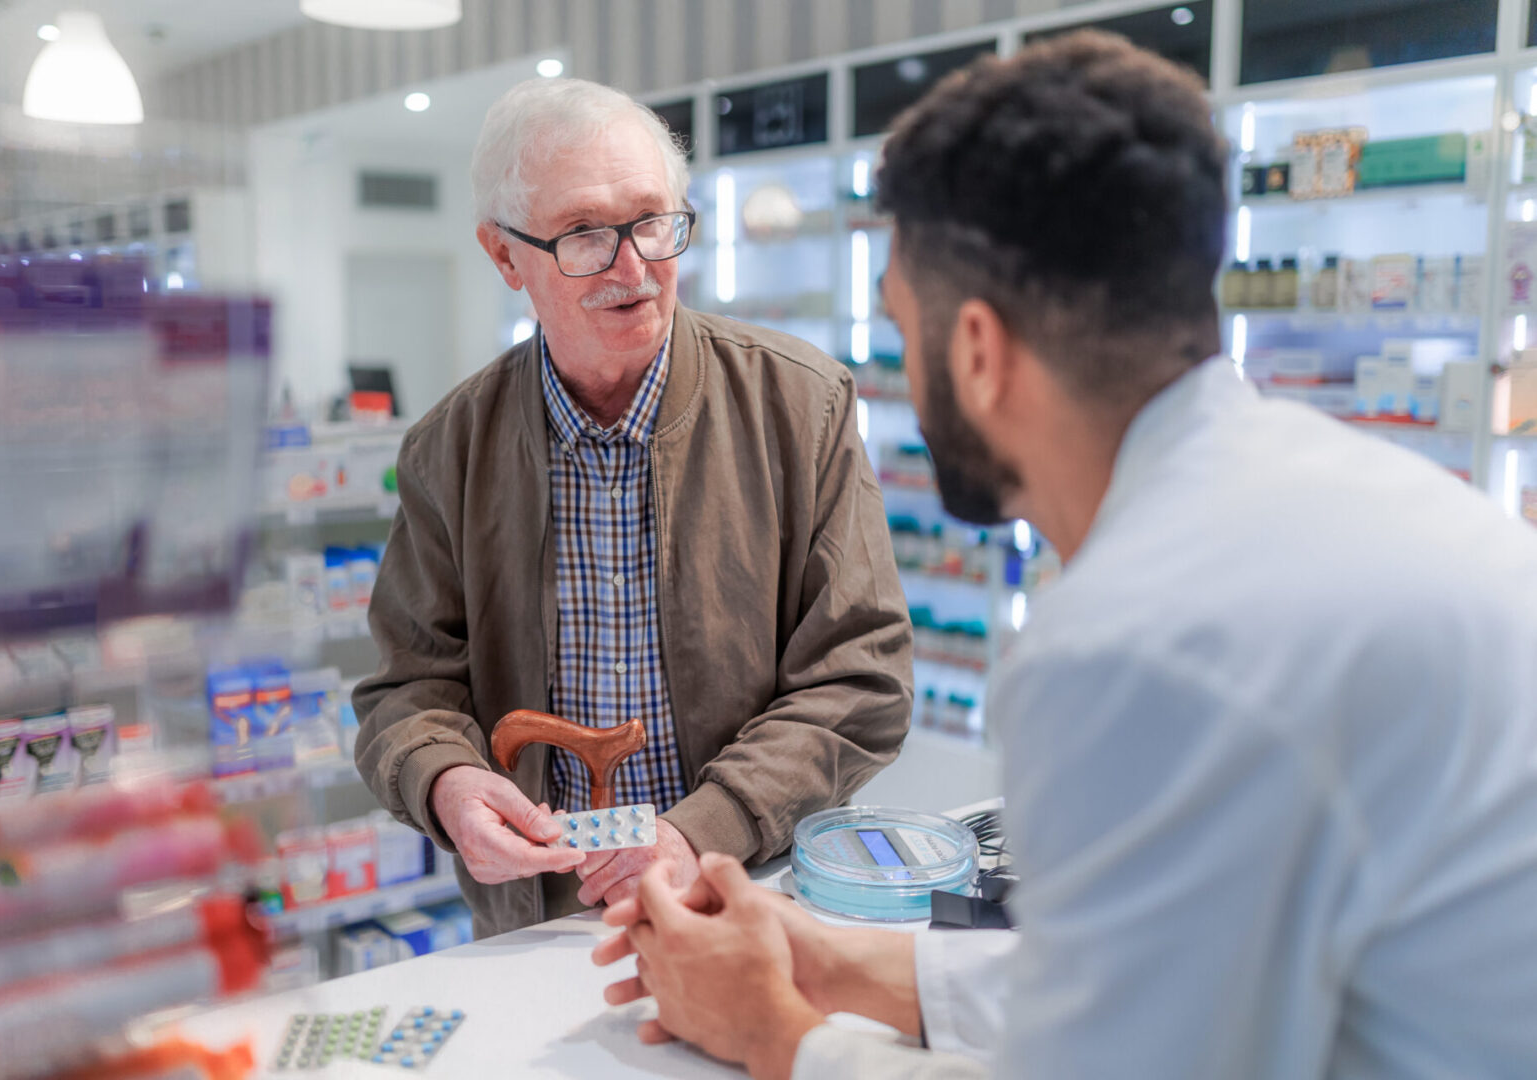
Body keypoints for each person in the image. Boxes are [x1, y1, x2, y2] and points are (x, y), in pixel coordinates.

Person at [592, 31, 1537, 1079]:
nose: (900, 369)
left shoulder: (1138, 641)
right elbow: (1169, 977)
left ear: (981, 352)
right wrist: (837, 961)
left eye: (903, 327)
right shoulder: (1334, 495)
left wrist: (774, 1033)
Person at [353, 76, 913, 939]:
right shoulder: (448, 450)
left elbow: (860, 676)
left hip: (746, 895)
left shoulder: (802, 406)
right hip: (534, 917)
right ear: (506, 257)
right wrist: (445, 783)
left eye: (654, 221)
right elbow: (407, 687)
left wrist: (702, 830)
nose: (635, 267)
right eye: (583, 234)